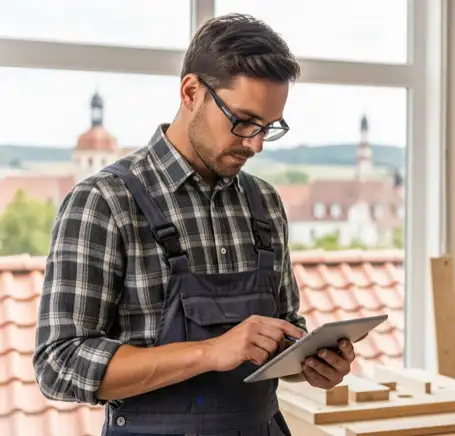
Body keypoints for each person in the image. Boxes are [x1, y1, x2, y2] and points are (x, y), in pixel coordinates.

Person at [32, 13, 356, 436]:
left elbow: (286, 327)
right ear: (190, 92)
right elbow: (60, 364)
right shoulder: (105, 202)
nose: (255, 144)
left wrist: (310, 362)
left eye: (268, 127)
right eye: (243, 121)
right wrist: (209, 352)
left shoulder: (265, 204)